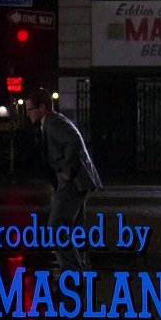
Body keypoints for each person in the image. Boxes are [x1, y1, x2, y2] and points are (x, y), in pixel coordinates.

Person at [25, 88, 102, 271]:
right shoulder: (53, 120)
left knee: (56, 228)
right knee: (73, 227)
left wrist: (67, 171)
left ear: (42, 107)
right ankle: (78, 268)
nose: (28, 114)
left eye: (30, 109)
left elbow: (72, 142)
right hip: (77, 181)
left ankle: (73, 271)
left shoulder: (52, 122)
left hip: (73, 182)